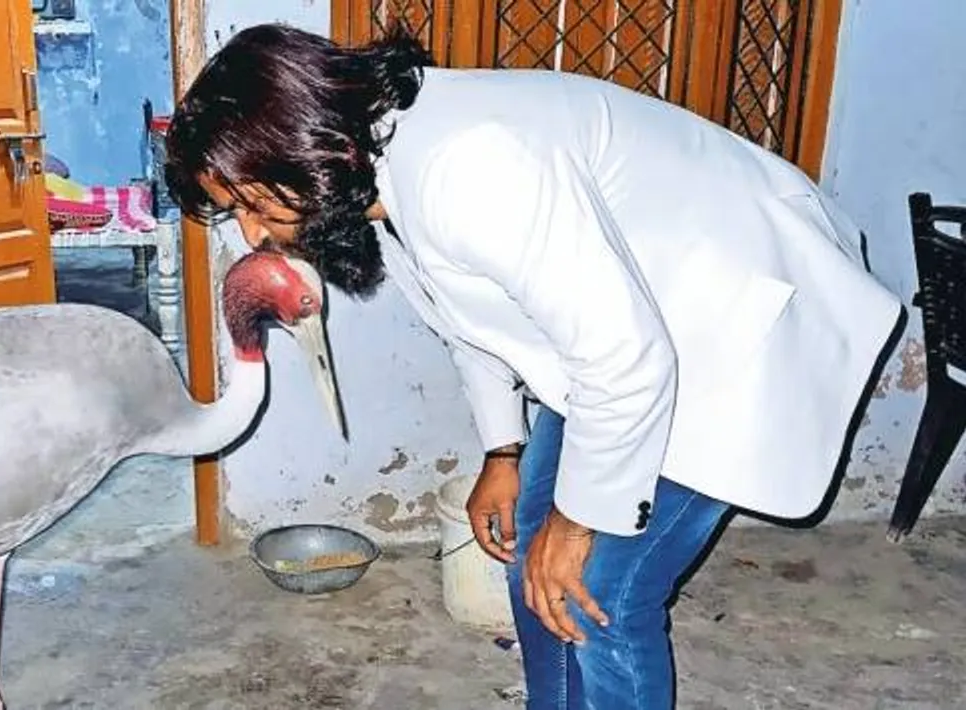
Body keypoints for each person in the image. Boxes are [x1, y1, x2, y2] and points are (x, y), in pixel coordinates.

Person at [164, 23, 903, 710]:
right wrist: (503, 450)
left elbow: (627, 357)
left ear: (298, 142)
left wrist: (579, 526)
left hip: (737, 324)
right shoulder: (377, 167)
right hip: (635, 331)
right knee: (531, 557)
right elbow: (474, 315)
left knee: (598, 593)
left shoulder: (469, 164)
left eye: (251, 202)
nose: (254, 232)